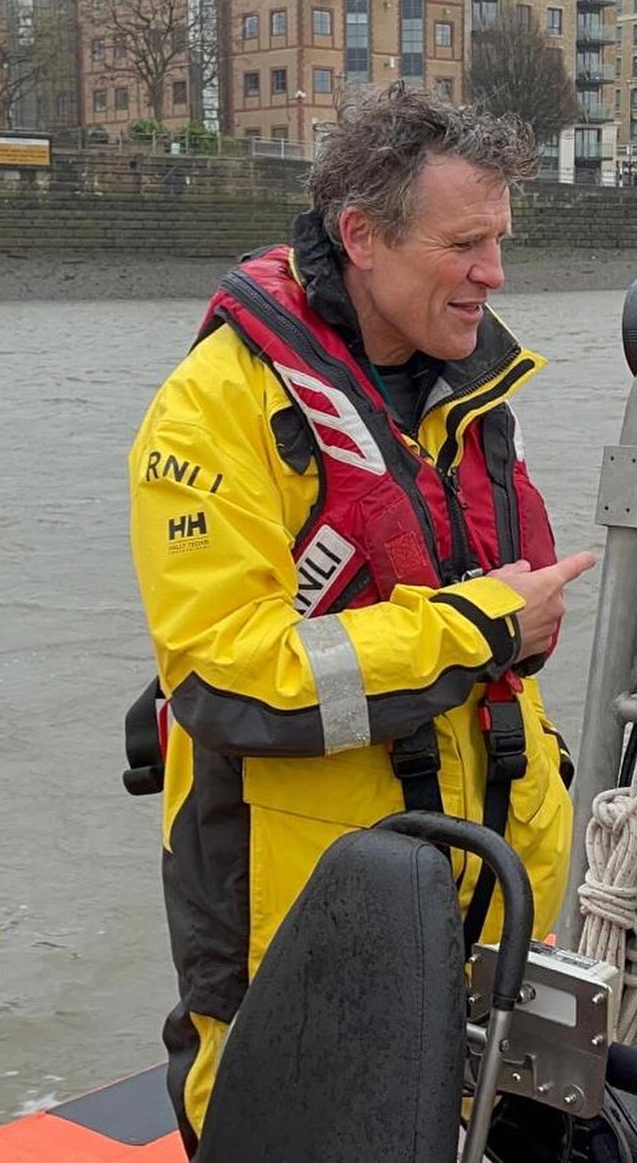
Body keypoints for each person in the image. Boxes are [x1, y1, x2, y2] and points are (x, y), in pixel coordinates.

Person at [127, 83, 595, 1156]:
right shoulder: (217, 408)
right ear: (361, 238)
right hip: (306, 925)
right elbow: (227, 677)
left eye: (501, 241)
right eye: (466, 243)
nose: (496, 274)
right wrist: (479, 626)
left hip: (480, 902)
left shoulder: (462, 391)